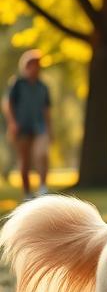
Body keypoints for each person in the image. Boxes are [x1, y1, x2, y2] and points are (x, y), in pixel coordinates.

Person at [2, 49, 52, 199]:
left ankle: (43, 187)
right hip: (21, 128)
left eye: (38, 65)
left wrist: (50, 129)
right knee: (24, 161)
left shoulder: (43, 87)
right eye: (33, 65)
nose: (36, 68)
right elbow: (7, 104)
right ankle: (27, 193)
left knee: (41, 154)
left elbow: (46, 109)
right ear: (26, 66)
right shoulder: (17, 84)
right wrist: (12, 122)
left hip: (40, 127)